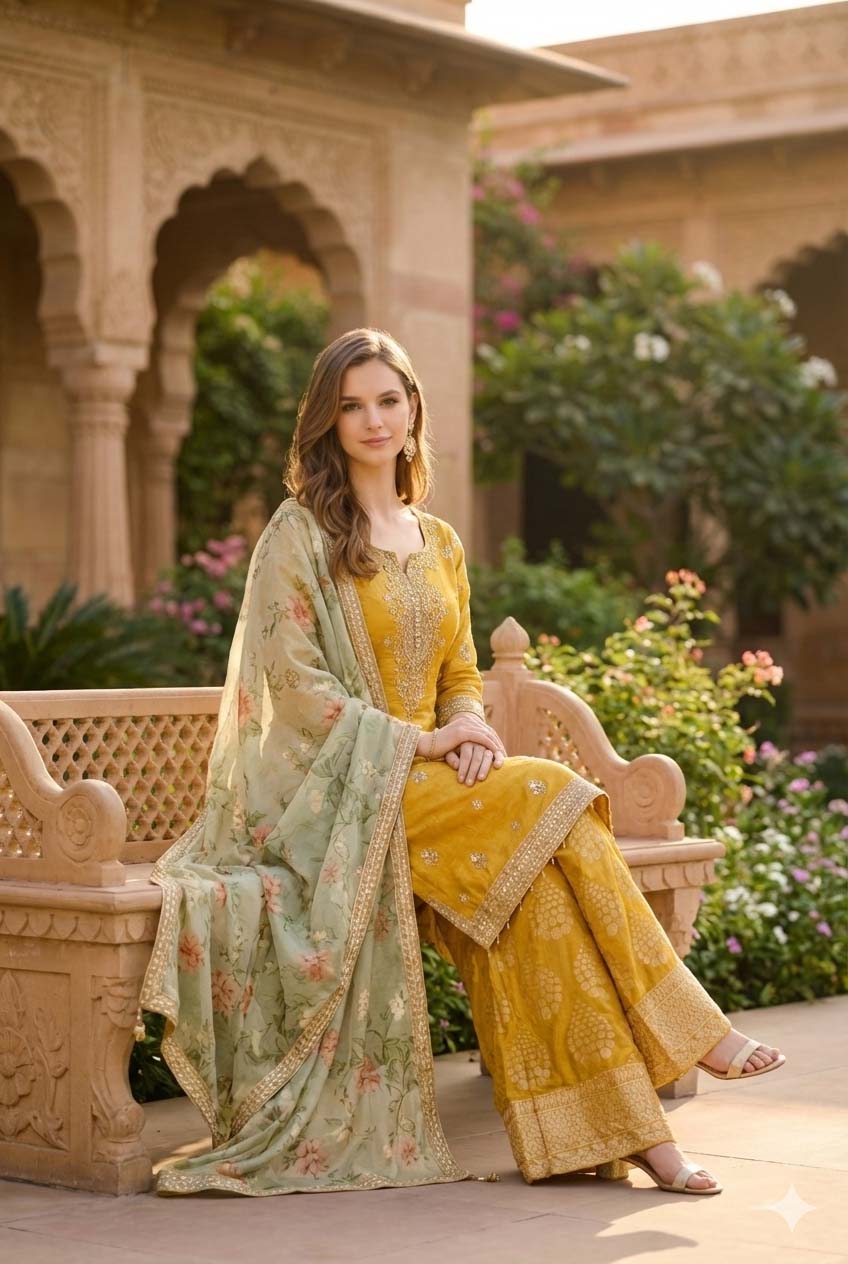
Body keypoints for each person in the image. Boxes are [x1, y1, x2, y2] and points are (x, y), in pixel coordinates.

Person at [138, 326, 785, 1199]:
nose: (373, 420)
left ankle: (632, 1143)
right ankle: (692, 1025)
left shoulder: (437, 541)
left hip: (444, 782)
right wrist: (421, 741)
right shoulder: (299, 536)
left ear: (412, 412)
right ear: (328, 423)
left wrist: (471, 723)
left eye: (388, 401)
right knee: (557, 786)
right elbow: (291, 684)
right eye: (352, 405)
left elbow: (460, 670)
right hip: (348, 795)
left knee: (539, 910)